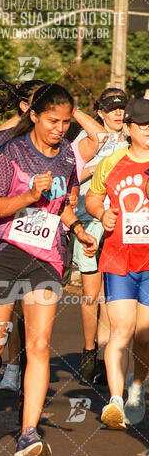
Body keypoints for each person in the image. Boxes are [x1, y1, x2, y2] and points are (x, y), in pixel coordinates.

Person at [0, 84, 98, 456]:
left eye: (66, 122)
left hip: (45, 258)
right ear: (33, 115)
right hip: (3, 253)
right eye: (53, 121)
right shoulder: (6, 149)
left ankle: (29, 433)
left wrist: (79, 230)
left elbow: (62, 204)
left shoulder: (66, 154)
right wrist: (29, 196)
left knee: (38, 346)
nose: (60, 130)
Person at [86, 98, 149, 429]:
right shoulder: (112, 162)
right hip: (119, 258)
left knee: (144, 337)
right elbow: (92, 197)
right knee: (121, 332)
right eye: (144, 126)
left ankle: (137, 385)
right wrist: (101, 213)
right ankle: (115, 400)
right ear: (129, 129)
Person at [73, 88, 128, 385]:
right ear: (101, 113)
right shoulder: (87, 141)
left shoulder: (133, 141)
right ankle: (88, 350)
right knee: (91, 294)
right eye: (112, 108)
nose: (118, 113)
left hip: (119, 223)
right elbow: (69, 175)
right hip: (89, 221)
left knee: (111, 293)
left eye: (122, 108)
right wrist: (98, 170)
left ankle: (107, 355)